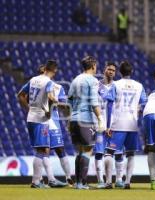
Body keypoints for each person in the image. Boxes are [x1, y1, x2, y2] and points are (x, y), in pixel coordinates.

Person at [18, 60, 67, 188]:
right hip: (41, 119)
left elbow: (21, 95)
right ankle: (36, 182)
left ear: (44, 68)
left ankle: (47, 179)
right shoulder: (49, 82)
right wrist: (49, 112)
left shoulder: (33, 79)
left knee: (43, 149)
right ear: (54, 71)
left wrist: (29, 108)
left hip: (31, 117)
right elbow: (51, 97)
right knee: (42, 150)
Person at [104, 61, 147, 189]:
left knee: (109, 152)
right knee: (131, 154)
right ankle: (127, 182)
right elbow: (145, 103)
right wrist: (137, 111)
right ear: (131, 71)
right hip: (132, 124)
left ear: (120, 72)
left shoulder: (115, 85)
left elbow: (109, 104)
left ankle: (108, 182)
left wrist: (108, 125)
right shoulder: (139, 86)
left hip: (117, 123)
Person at [68, 56, 104, 189]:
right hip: (86, 119)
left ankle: (78, 182)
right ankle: (82, 183)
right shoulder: (93, 81)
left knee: (80, 151)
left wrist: (69, 120)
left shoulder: (75, 80)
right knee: (88, 150)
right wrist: (100, 118)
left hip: (74, 119)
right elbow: (94, 102)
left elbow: (69, 102)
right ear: (93, 65)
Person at [38, 64, 73, 186]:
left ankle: (69, 177)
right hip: (40, 120)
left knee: (60, 149)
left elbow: (64, 105)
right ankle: (51, 178)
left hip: (53, 122)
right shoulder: (35, 85)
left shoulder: (58, 87)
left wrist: (57, 103)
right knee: (43, 150)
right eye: (41, 71)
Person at [93, 62, 118, 189]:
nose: (111, 72)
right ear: (104, 70)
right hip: (99, 125)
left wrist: (112, 124)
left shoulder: (117, 87)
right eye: (109, 69)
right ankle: (100, 180)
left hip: (113, 125)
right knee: (98, 153)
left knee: (112, 153)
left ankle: (114, 180)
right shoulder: (96, 84)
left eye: (113, 70)